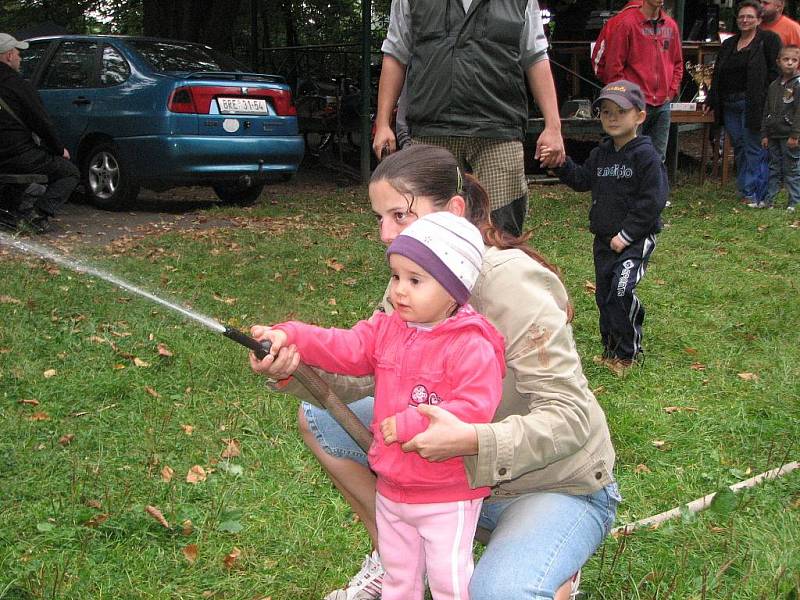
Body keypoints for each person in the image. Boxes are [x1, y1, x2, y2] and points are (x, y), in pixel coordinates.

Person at [255, 144, 620, 600]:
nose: (386, 234)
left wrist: (472, 440)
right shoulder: (413, 284)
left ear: (454, 211)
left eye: (400, 216)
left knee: (499, 593)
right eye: (379, 219)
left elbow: (570, 417)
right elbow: (362, 367)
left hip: (548, 485)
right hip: (447, 484)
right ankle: (397, 561)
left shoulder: (512, 285)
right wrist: (292, 363)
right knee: (321, 416)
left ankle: (543, 560)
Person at [252, 211, 506, 600]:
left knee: (450, 583)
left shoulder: (471, 345)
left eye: (415, 280)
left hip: (447, 495)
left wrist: (411, 425)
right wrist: (291, 335)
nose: (399, 291)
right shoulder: (389, 329)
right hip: (392, 488)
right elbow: (343, 346)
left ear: (455, 287)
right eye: (396, 276)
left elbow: (474, 410)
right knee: (398, 580)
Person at [371, 0, 566, 238]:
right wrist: (382, 124)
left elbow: (535, 56)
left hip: (499, 130)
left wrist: (553, 126)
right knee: (427, 233)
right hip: (431, 131)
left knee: (502, 234)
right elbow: (395, 54)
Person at [550, 81, 667, 374]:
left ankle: (628, 354)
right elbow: (580, 179)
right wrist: (559, 163)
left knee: (620, 290)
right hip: (604, 241)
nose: (612, 118)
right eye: (605, 112)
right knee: (604, 295)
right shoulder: (601, 154)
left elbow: (652, 201)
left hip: (634, 240)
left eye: (621, 112)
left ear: (639, 117)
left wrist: (627, 235)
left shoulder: (646, 156)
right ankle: (610, 349)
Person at [0, 33, 78, 233]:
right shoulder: (17, 85)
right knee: (69, 172)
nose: (20, 57)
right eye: (17, 53)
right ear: (8, 56)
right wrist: (59, 150)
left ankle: (7, 213)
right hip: (16, 154)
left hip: (8, 155)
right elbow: (42, 123)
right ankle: (38, 216)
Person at [705, 1, 781, 206]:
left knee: (753, 146)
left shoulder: (768, 40)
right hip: (729, 103)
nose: (745, 20)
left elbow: (775, 74)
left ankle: (756, 193)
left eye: (749, 17)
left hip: (754, 103)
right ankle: (746, 189)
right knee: (739, 146)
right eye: (741, 17)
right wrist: (712, 98)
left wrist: (772, 101)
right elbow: (718, 74)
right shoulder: (729, 44)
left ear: (759, 19)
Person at [593, 0, 683, 162]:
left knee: (657, 160)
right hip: (633, 103)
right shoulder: (627, 24)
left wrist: (671, 90)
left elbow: (677, 62)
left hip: (662, 103)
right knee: (627, 157)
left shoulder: (671, 26)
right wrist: (624, 98)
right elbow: (614, 67)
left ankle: (654, 187)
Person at [760, 44, 800, 210]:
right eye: (786, 59)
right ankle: (770, 200)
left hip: (789, 135)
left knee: (792, 169)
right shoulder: (773, 86)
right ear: (778, 62)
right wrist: (764, 133)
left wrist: (795, 134)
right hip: (773, 133)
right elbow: (766, 110)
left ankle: (794, 202)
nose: (789, 63)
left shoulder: (797, 85)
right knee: (774, 168)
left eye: (794, 60)